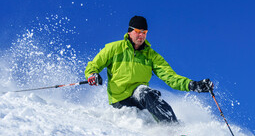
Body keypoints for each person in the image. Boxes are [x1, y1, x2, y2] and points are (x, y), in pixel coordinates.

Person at [85, 16, 213, 123]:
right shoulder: (114, 48)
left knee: (147, 93)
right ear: (130, 31)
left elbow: (170, 76)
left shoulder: (151, 55)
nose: (141, 35)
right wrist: (92, 75)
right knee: (144, 96)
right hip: (120, 99)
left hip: (139, 96)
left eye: (144, 32)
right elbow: (94, 65)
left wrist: (192, 85)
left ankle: (174, 130)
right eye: (138, 31)